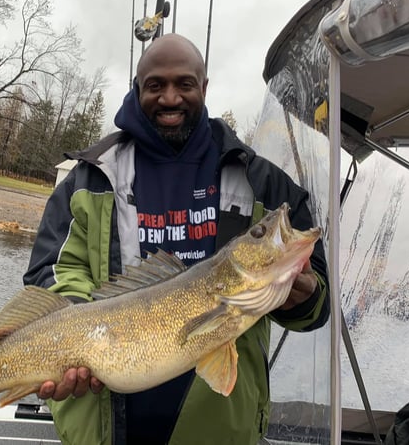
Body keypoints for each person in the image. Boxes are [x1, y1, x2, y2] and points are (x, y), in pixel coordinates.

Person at [23, 33, 329, 445]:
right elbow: (51, 270)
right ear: (137, 89)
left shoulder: (265, 185)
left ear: (204, 88)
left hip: (220, 433)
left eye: (184, 84)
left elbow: (320, 302)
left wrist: (305, 294)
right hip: (101, 427)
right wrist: (77, 343)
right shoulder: (90, 179)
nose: (170, 97)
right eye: (156, 85)